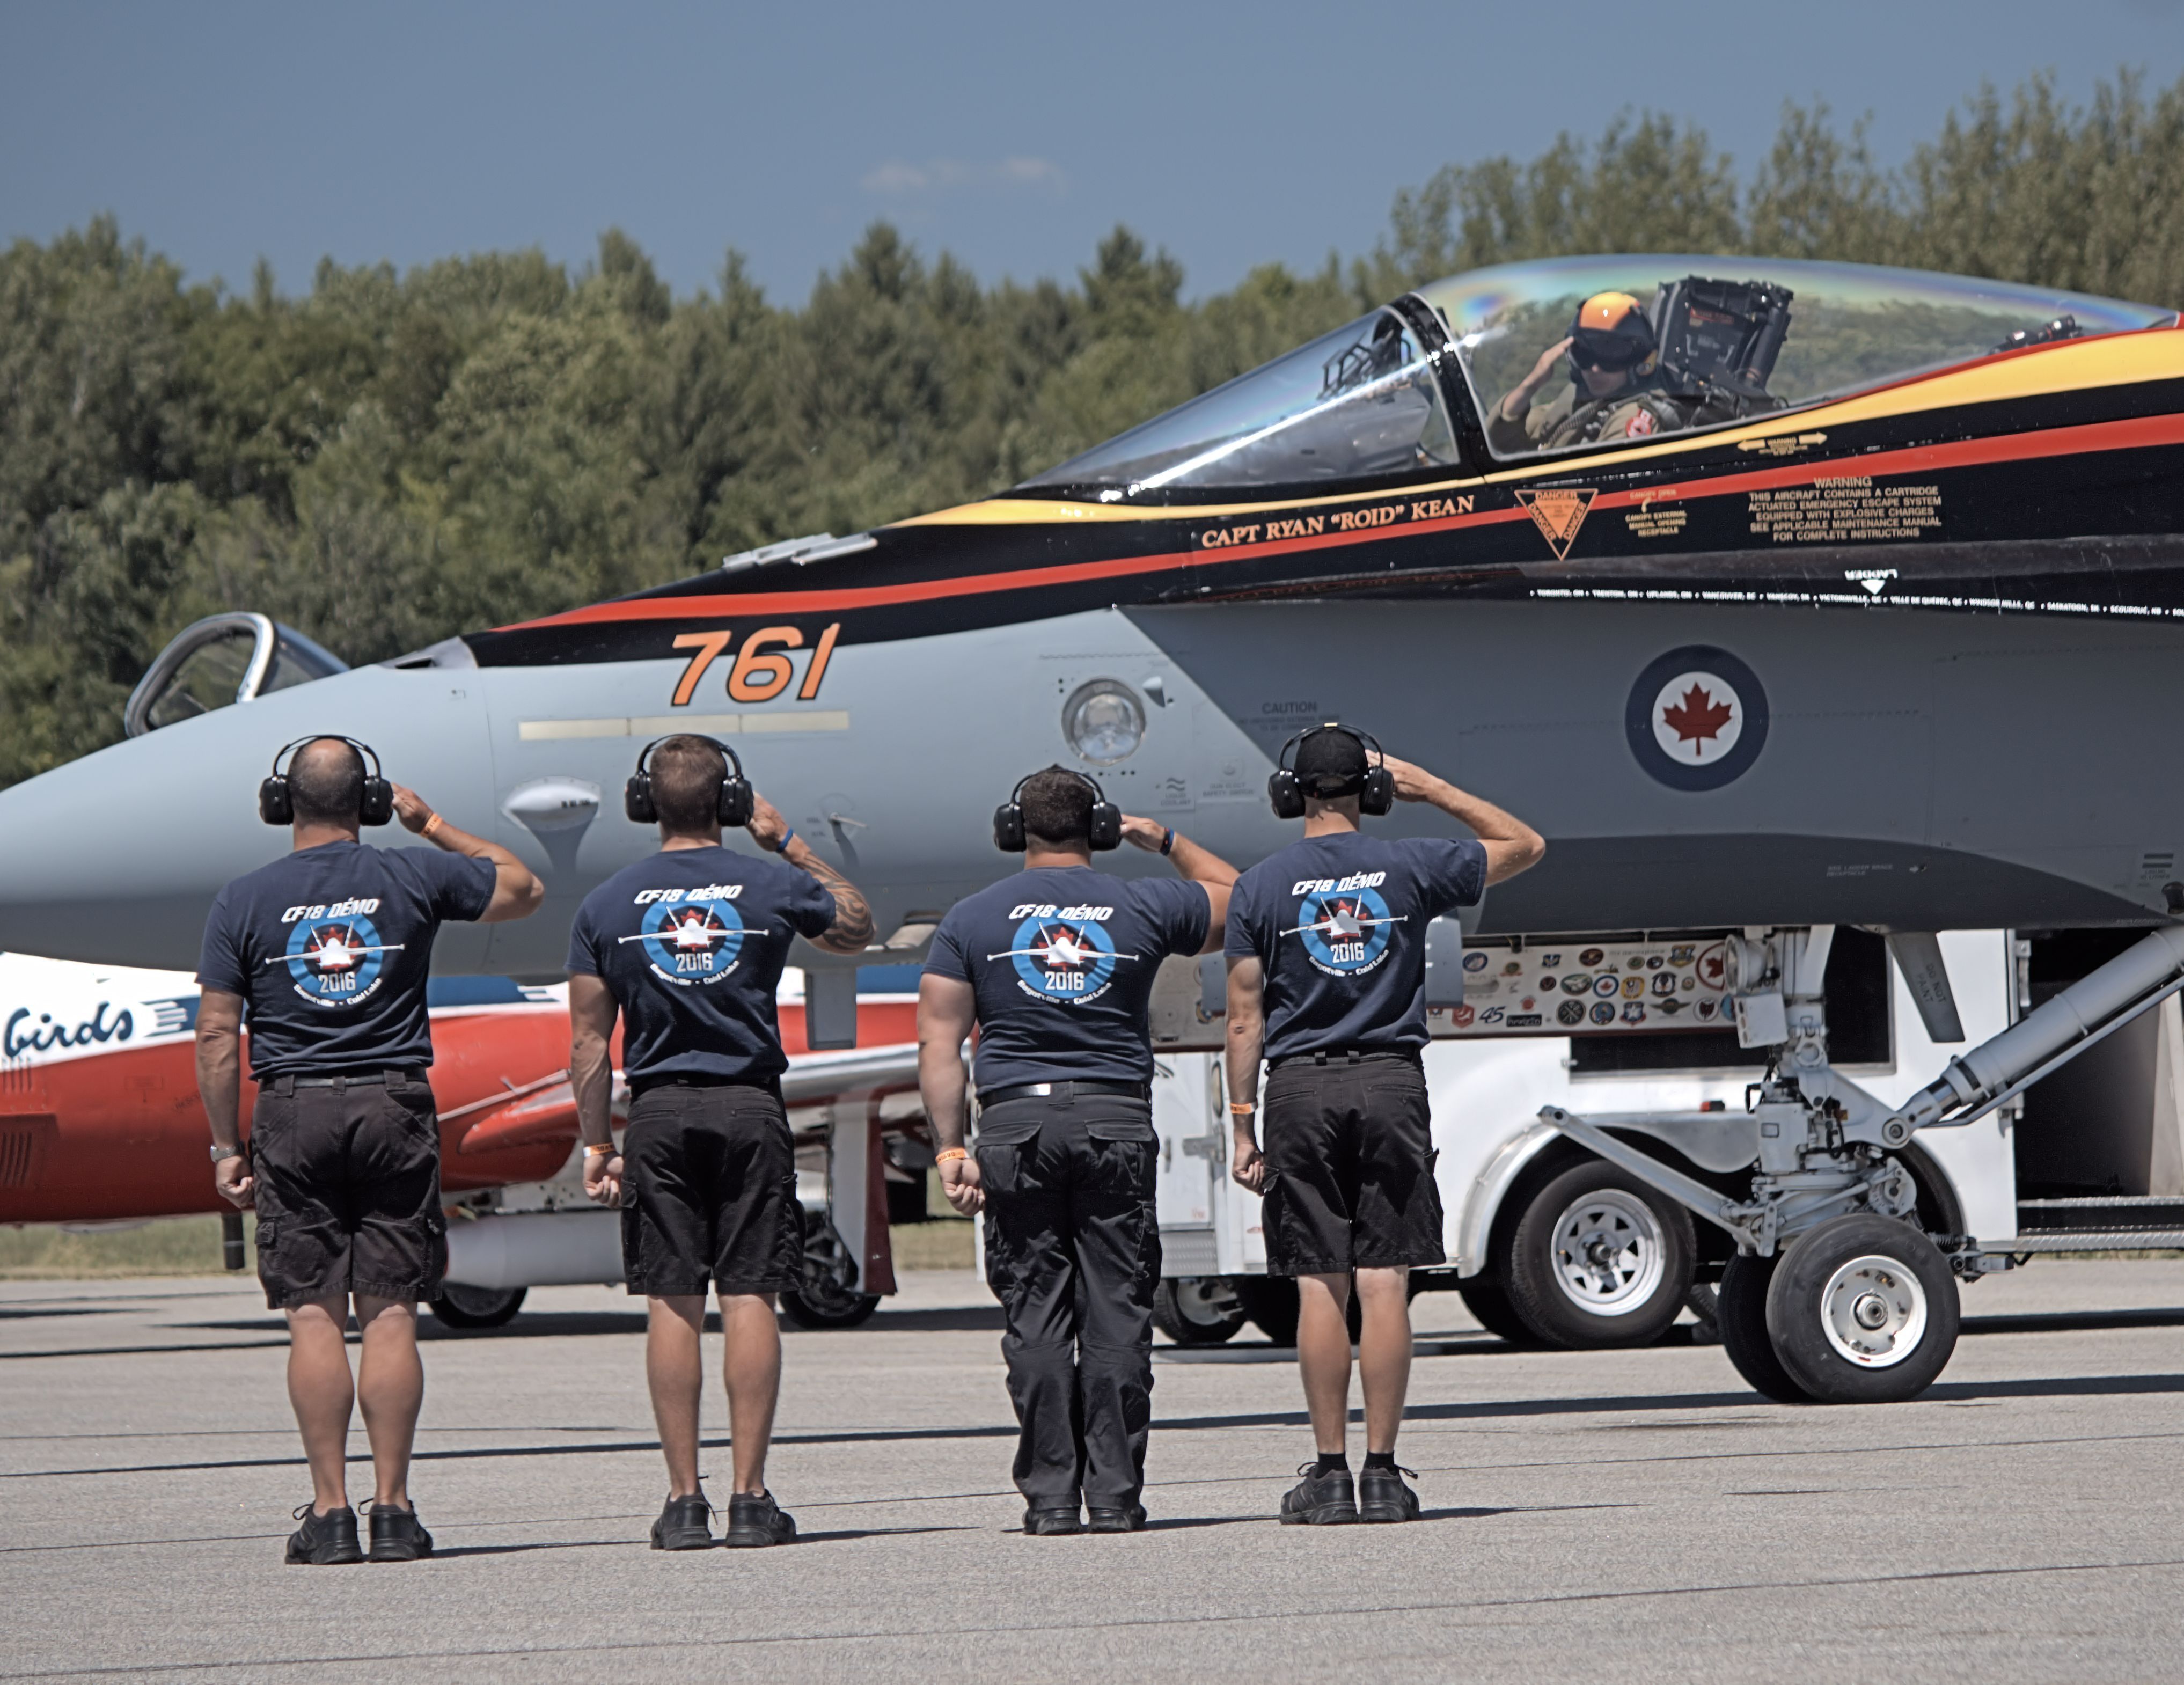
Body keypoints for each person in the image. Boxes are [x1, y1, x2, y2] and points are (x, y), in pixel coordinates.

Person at [196, 736, 544, 1565]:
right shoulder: (412, 873)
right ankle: (393, 1511)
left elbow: (216, 1034)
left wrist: (223, 1146)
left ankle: (329, 1514)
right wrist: (431, 825)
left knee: (312, 1313)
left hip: (293, 1111)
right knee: (390, 1310)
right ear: (373, 802)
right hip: (394, 1104)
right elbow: (523, 887)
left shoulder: (240, 901)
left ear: (282, 803)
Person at [1224, 725, 1543, 1525]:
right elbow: (1524, 844)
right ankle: (1383, 1473)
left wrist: (1240, 1126)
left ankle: (1327, 1475)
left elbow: (1241, 1021)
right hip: (1391, 1082)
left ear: (1290, 795)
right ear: (1367, 794)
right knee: (1385, 1278)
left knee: (1319, 1282)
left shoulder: (1260, 887)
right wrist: (1428, 787)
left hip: (1297, 1086)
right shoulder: (1412, 866)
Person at [570, 735, 874, 1551]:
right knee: (748, 1295)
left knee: (673, 1299)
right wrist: (786, 842)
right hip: (748, 1106)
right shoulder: (773, 882)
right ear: (730, 803)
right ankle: (749, 1497)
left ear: (645, 803)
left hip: (660, 1114)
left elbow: (590, 1046)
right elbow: (854, 925)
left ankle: (681, 1502)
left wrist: (598, 1144)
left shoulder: (606, 905)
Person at [918, 768, 1238, 1535]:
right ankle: (1116, 1497)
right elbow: (1238, 897)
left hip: (1014, 1127)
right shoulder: (1144, 904)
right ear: (1095, 827)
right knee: (1116, 1314)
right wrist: (1160, 838)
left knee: (1035, 1316)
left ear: (1011, 828)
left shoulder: (971, 919)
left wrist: (948, 1150)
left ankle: (1052, 1498)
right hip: (1113, 1120)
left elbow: (938, 1044)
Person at [1487, 289, 1679, 453]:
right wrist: (1531, 385)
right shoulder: (1578, 401)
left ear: (1641, 359)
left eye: (1610, 355)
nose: (1594, 369)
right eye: (1585, 354)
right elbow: (1496, 444)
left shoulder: (1634, 417)